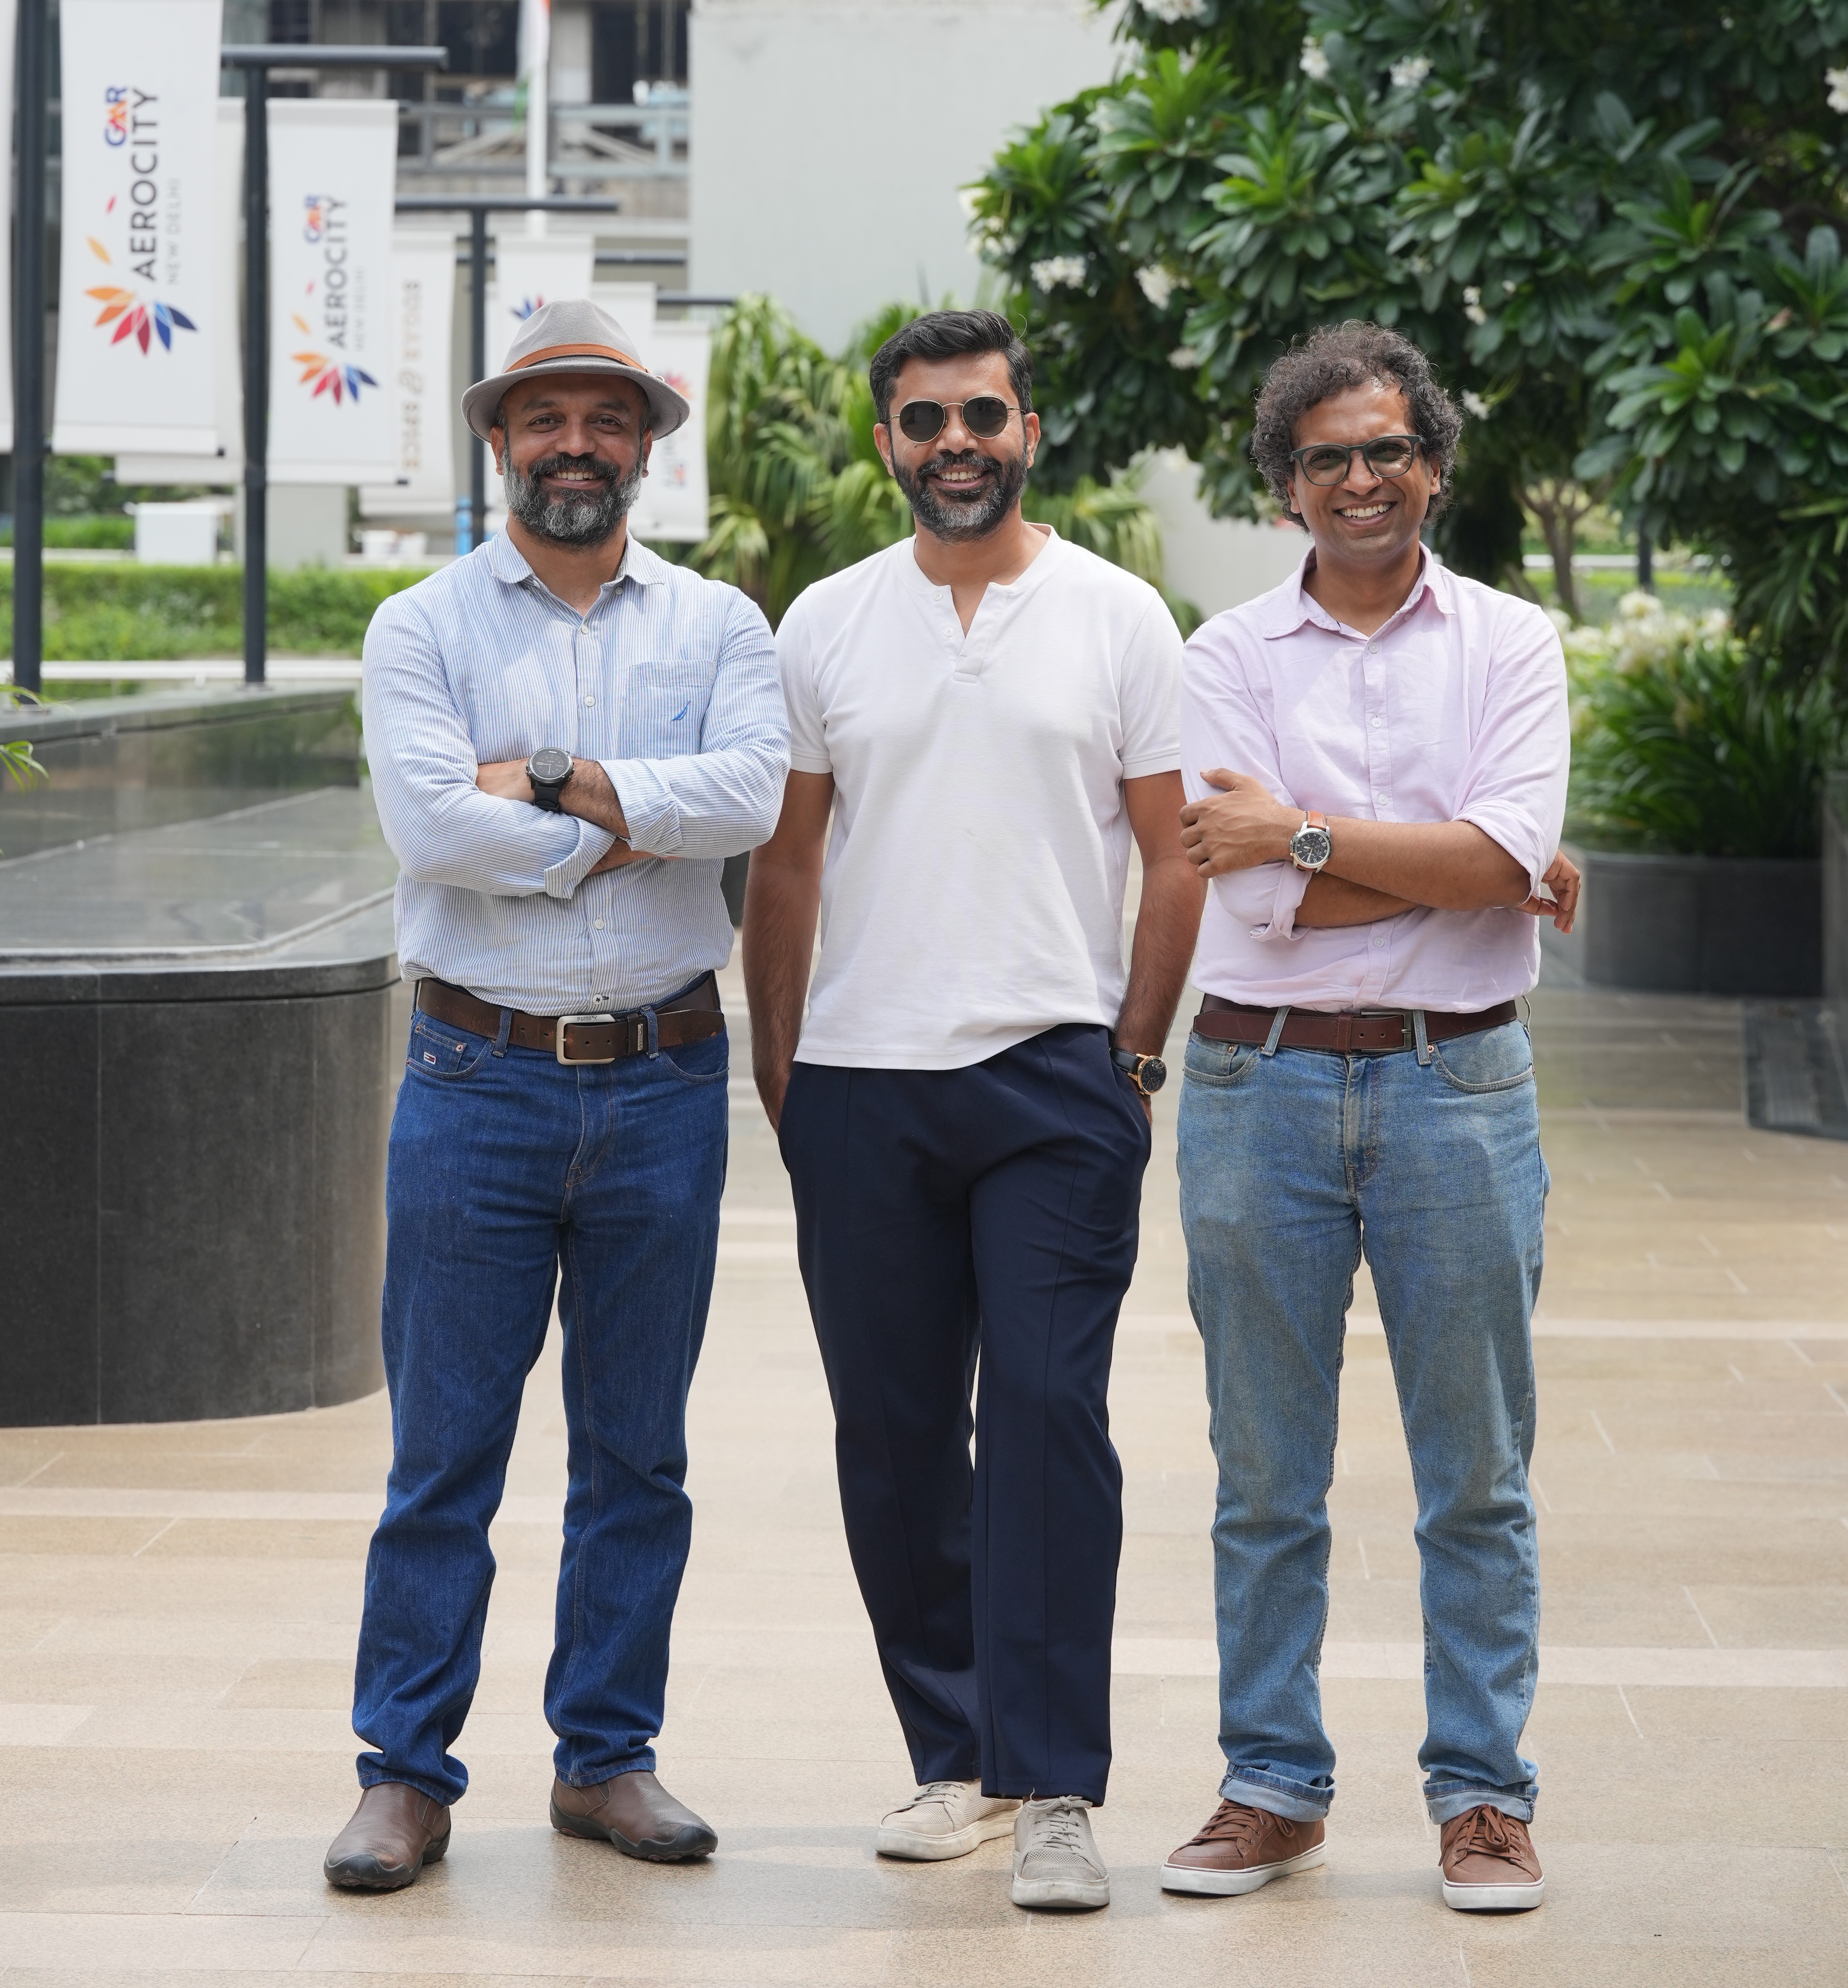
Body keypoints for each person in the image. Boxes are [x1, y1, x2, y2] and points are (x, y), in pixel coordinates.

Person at [325, 300, 790, 1895]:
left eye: (606, 418)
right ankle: (405, 1774)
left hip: (665, 1081)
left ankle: (604, 1758)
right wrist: (631, 823)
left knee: (636, 1452)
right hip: (477, 1081)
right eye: (546, 418)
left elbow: (751, 798)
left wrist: (536, 779)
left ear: (646, 444)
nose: (575, 445)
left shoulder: (720, 626)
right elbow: (427, 832)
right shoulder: (423, 627)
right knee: (444, 1454)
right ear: (499, 440)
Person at [743, 308, 1203, 1917]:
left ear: (1028, 431)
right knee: (892, 1440)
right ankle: (958, 1755)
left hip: (1054, 1081)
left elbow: (1176, 855)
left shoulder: (1118, 615)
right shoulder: (825, 622)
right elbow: (787, 862)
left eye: (982, 415)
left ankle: (1055, 1780)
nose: (957, 442)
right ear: (888, 442)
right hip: (861, 1085)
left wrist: (1132, 1059)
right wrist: (783, 1073)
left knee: (1048, 1421)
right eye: (926, 419)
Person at [1163, 322, 1578, 1918]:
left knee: (1477, 1475)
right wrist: (1452, 864)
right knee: (1265, 1475)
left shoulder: (1511, 644)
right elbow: (1250, 901)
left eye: (1387, 449)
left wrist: (1317, 839)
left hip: (1456, 1083)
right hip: (1254, 1083)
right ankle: (1273, 1787)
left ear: (1433, 465)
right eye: (1327, 456)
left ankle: (1483, 1798)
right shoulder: (1224, 656)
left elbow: (1499, 859)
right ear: (1286, 483)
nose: (1360, 479)